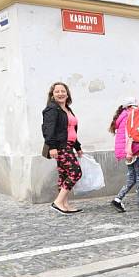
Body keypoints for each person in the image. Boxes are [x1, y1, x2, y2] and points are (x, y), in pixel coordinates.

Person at [42, 82, 83, 215]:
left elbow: (71, 129)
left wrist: (78, 147)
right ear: (52, 95)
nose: (60, 94)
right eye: (57, 91)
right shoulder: (52, 109)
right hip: (60, 146)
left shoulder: (67, 109)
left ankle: (64, 204)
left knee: (64, 175)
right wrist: (52, 147)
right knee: (75, 172)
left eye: (63, 91)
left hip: (69, 145)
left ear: (67, 93)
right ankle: (58, 202)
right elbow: (48, 129)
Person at [109, 97, 139, 212]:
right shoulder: (130, 116)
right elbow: (129, 135)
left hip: (128, 152)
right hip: (134, 151)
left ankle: (117, 200)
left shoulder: (122, 116)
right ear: (130, 107)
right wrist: (130, 151)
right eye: (135, 106)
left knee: (132, 179)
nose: (137, 108)